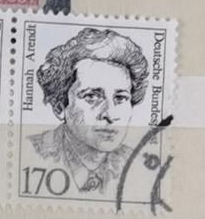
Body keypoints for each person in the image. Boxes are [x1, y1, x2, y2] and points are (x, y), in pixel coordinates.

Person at [30, 25, 153, 196]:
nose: (110, 114)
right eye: (92, 96)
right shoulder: (30, 153)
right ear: (59, 107)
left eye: (120, 98)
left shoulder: (139, 167)